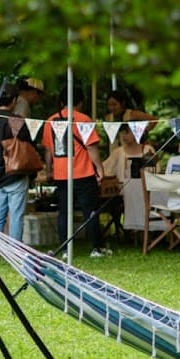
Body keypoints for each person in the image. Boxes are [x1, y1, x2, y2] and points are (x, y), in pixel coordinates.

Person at [41, 85, 109, 257]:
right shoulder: (83, 120)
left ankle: (65, 249)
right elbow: (92, 148)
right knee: (90, 210)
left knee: (63, 212)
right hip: (83, 172)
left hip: (61, 174)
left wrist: (49, 170)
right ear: (81, 102)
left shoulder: (50, 121)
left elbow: (48, 150)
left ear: (62, 101)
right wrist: (100, 168)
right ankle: (96, 248)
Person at [0, 81, 37, 240]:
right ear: (14, 101)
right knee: (16, 215)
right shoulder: (16, 120)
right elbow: (28, 142)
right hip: (15, 171)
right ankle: (14, 248)